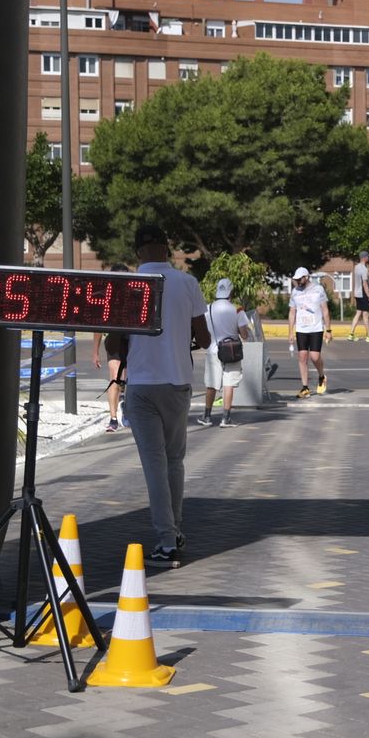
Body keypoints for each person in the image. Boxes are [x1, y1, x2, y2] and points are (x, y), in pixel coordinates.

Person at [123, 223, 209, 569]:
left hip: (142, 386)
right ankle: (175, 530)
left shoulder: (129, 285)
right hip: (178, 383)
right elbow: (205, 339)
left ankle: (166, 540)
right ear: (166, 247)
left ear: (137, 252)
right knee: (174, 461)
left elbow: (115, 342)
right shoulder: (187, 283)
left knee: (154, 466)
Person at [198, 278, 252, 428]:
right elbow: (244, 335)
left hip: (213, 351)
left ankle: (207, 416)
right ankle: (226, 418)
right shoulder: (237, 310)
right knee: (229, 384)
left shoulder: (207, 309)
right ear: (231, 292)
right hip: (232, 351)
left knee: (211, 385)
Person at [91, 263, 132, 432]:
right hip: (114, 341)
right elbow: (98, 327)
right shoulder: (105, 298)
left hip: (131, 340)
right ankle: (113, 418)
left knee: (129, 379)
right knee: (115, 377)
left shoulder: (133, 296)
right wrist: (95, 352)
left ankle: (126, 406)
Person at [288, 266, 332, 398]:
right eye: (296, 279)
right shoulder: (295, 292)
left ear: (306, 277)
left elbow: (325, 310)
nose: (297, 281)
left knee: (315, 357)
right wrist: (290, 332)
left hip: (316, 328)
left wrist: (328, 330)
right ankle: (305, 387)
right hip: (301, 329)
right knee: (302, 356)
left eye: (299, 279)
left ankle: (321, 376)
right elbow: (292, 312)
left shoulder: (318, 289)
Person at [347, 251, 369, 343]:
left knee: (358, 313)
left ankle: (351, 334)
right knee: (365, 315)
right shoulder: (363, 269)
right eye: (368, 257)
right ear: (364, 258)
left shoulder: (357, 267)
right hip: (363, 293)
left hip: (357, 293)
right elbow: (365, 284)